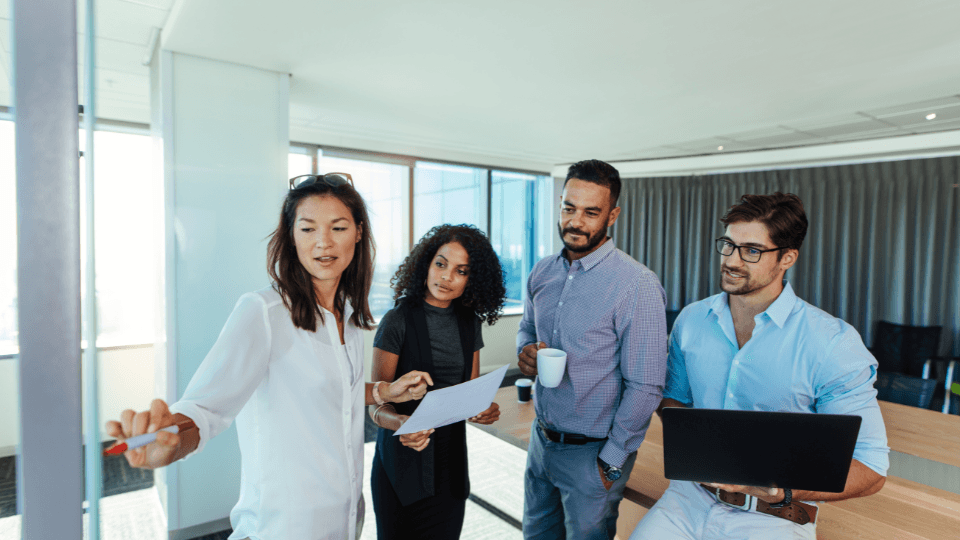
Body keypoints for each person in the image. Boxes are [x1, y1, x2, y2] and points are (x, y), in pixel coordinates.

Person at [105, 173, 433, 540]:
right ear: (291, 237)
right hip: (281, 527)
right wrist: (166, 449)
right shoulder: (263, 311)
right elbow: (205, 409)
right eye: (307, 229)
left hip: (344, 520)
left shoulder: (348, 313)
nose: (323, 242)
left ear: (358, 232)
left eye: (337, 227)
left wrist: (385, 392)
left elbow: (337, 390)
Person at [630, 192, 889, 540]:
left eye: (752, 250)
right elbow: (675, 401)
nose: (732, 261)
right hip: (689, 498)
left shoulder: (832, 343)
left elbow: (871, 469)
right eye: (728, 245)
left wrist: (778, 486)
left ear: (787, 258)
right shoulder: (691, 320)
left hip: (774, 516)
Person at [517, 159, 668, 540]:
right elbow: (527, 329)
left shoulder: (637, 284)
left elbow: (647, 385)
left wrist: (612, 460)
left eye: (590, 212)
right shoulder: (541, 272)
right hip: (542, 441)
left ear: (612, 215)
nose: (576, 222)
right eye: (569, 208)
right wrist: (527, 354)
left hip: (594, 455)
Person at [369, 223, 507, 540]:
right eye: (441, 264)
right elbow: (375, 405)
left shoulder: (469, 322)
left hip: (450, 463)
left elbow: (469, 395)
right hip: (402, 465)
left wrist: (482, 410)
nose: (446, 277)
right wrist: (400, 422)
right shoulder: (397, 320)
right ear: (427, 264)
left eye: (461, 271)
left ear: (472, 279)